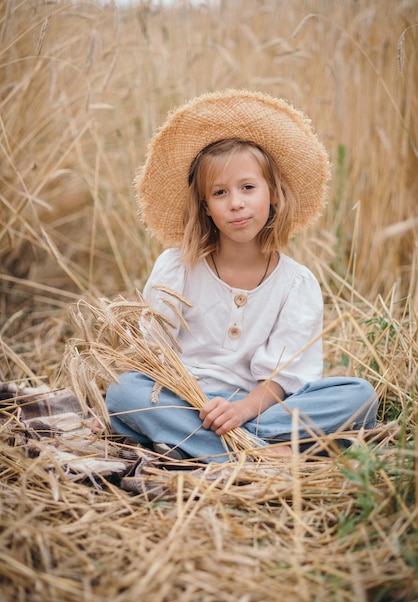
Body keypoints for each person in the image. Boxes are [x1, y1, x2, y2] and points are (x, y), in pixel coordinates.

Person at [103, 89, 378, 462]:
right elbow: (150, 354)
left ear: (273, 195)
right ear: (206, 207)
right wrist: (196, 404)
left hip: (261, 409)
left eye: (248, 187)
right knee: (124, 392)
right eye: (220, 192)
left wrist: (242, 411)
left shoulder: (296, 284)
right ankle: (265, 457)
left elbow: (286, 375)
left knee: (358, 396)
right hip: (187, 403)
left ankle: (212, 447)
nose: (236, 203)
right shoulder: (178, 268)